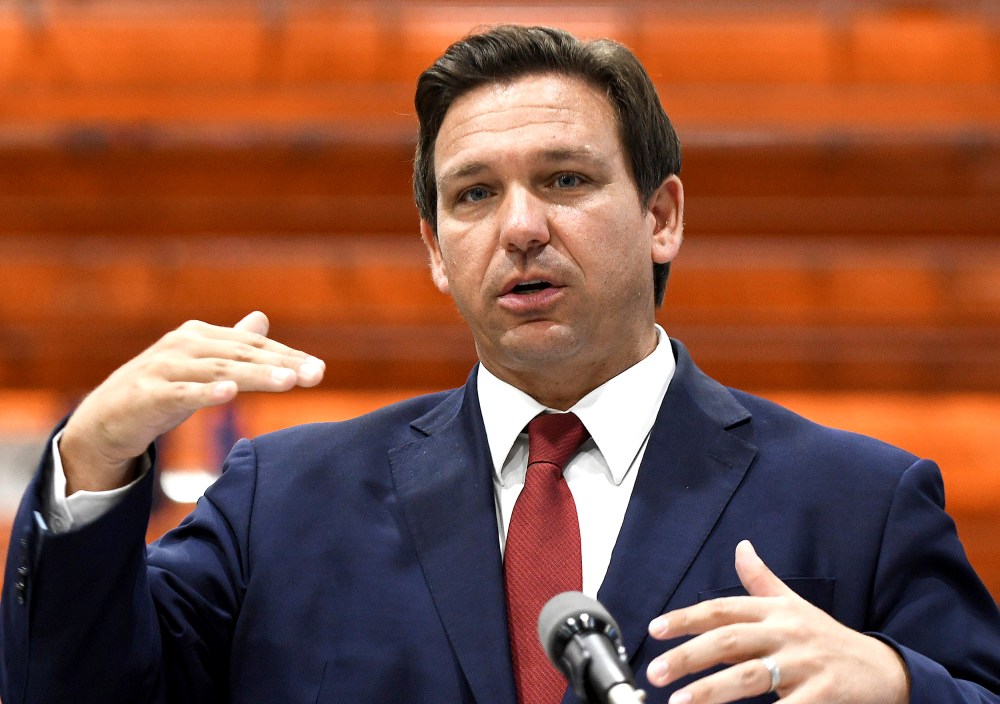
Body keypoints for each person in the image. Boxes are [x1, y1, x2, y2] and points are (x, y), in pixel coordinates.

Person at [2, 24, 999, 704]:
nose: (520, 226)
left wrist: (907, 685)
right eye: (473, 195)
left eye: (564, 178)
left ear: (662, 215)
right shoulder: (283, 501)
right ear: (436, 249)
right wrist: (90, 469)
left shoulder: (859, 502)